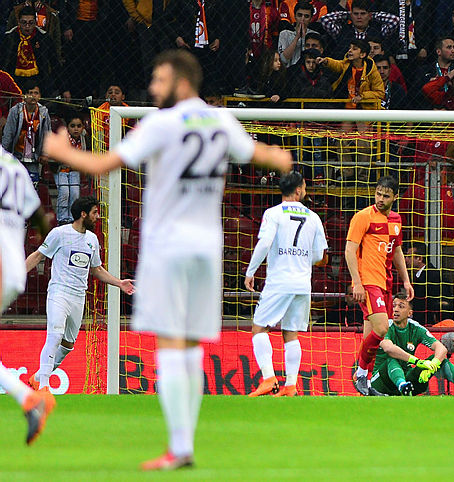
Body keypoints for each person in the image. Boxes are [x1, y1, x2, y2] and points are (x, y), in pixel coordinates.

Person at [42, 49, 292, 470]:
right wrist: (279, 157)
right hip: (206, 249)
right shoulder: (220, 120)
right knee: (190, 344)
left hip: (168, 246)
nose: (153, 87)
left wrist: (60, 150)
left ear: (181, 81)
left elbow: (103, 163)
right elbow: (261, 154)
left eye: (160, 80)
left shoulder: (161, 124)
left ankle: (179, 447)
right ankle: (185, 443)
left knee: (171, 343)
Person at [25, 196, 136, 391]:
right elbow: (38, 256)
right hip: (59, 292)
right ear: (83, 214)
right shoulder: (59, 234)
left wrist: (119, 283)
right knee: (55, 335)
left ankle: (39, 376)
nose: (97, 216)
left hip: (78, 297)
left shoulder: (92, 239)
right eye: (94, 212)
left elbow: (97, 269)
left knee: (68, 345)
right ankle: (43, 387)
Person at [245, 172, 328, 397]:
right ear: (298, 190)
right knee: (291, 333)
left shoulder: (273, 214)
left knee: (259, 328)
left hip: (279, 281)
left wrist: (251, 271)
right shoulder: (313, 217)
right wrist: (301, 259)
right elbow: (319, 255)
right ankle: (290, 385)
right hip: (302, 284)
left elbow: (264, 244)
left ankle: (269, 378)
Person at [0, 147, 55, 445]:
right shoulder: (15, 166)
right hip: (14, 268)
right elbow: (40, 220)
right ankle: (29, 399)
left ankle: (29, 398)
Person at [344, 175, 414, 396]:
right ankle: (361, 374)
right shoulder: (363, 217)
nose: (380, 199)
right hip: (368, 282)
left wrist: (406, 279)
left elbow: (397, 250)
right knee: (383, 328)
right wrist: (357, 283)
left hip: (386, 282)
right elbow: (349, 251)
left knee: (371, 337)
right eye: (378, 194)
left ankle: (365, 383)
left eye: (385, 196)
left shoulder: (396, 219)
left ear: (395, 197)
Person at [369, 293, 454, 396]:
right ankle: (402, 386)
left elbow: (441, 348)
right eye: (394, 306)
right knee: (392, 358)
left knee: (440, 359)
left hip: (408, 381)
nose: (395, 309)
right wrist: (417, 361)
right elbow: (388, 348)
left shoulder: (415, 328)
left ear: (410, 313)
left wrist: (433, 365)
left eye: (401, 306)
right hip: (380, 383)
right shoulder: (385, 326)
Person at [1, 82, 51, 185]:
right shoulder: (15, 111)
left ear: (40, 96)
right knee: (15, 186)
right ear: (24, 96)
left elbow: (47, 134)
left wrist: (45, 154)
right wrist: (4, 154)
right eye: (30, 93)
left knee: (32, 186)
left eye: (36, 93)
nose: (33, 96)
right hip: (16, 155)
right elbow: (8, 133)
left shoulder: (43, 112)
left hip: (34, 157)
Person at [317, 39, 384, 109]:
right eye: (350, 48)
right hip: (344, 108)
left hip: (364, 110)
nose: (349, 50)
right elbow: (338, 65)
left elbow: (380, 92)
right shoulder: (346, 65)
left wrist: (362, 96)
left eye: (354, 49)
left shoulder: (371, 70)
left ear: (362, 54)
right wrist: (326, 61)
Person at [404, 241, 454, 325]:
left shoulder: (433, 276)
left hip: (431, 325)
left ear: (419, 258)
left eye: (409, 256)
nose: (406, 260)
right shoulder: (418, 275)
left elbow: (435, 304)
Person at [53, 114, 85, 225]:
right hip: (61, 170)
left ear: (83, 127)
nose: (76, 129)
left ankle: (72, 219)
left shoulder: (84, 139)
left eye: (79, 126)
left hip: (75, 170)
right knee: (64, 192)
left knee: (75, 194)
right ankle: (62, 219)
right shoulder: (62, 138)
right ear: (67, 127)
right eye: (72, 126)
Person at [277, 2, 318, 66]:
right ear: (295, 16)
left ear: (311, 19)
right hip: (288, 70)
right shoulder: (285, 34)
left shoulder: (315, 35)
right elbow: (283, 59)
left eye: (306, 16)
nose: (302, 19)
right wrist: (297, 37)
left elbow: (314, 57)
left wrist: (304, 37)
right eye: (299, 15)